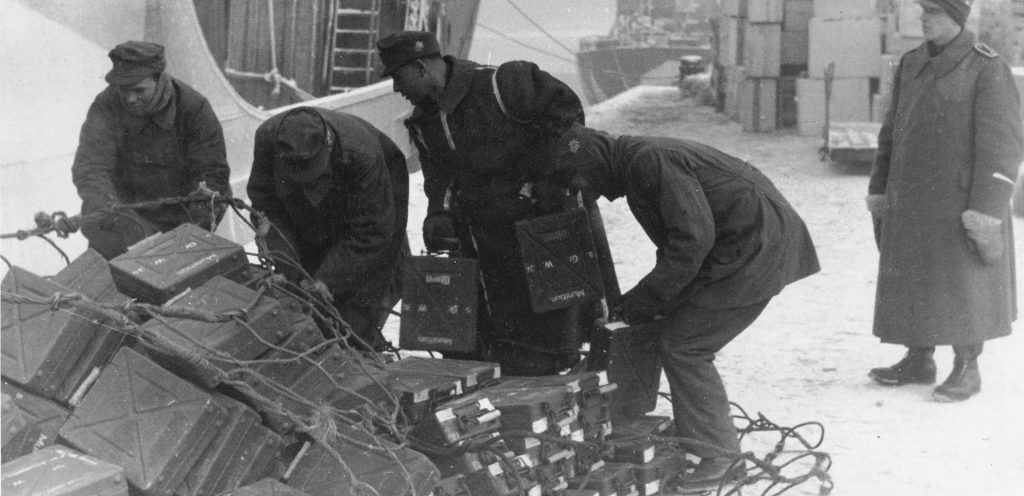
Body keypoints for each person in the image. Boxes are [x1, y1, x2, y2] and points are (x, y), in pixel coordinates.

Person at [546, 124, 820, 489]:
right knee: (672, 327)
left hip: (754, 249)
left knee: (685, 346)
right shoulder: (638, 161)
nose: (584, 190)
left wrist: (645, 300)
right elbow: (683, 241)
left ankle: (719, 457)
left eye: (580, 180)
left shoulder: (648, 161)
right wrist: (646, 302)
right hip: (746, 244)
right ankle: (699, 432)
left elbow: (691, 241)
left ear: (593, 162)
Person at [376, 30, 615, 375]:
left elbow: (571, 121)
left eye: (399, 77)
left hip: (544, 236)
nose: (398, 89)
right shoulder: (426, 121)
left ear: (420, 68)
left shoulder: (504, 84)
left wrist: (549, 179)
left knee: (562, 334)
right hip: (487, 247)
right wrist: (438, 213)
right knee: (498, 339)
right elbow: (439, 176)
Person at [866, 0, 1022, 402]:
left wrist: (985, 211)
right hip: (911, 199)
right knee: (916, 279)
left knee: (963, 285)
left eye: (933, 11)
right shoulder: (911, 63)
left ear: (956, 17)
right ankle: (919, 357)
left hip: (959, 200)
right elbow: (891, 131)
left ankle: (967, 368)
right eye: (923, 10)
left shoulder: (987, 67)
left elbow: (1002, 147)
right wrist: (880, 188)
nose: (923, 17)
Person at [247, 107, 410, 350]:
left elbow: (371, 232)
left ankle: (361, 352)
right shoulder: (268, 138)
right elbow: (267, 207)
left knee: (361, 302)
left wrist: (324, 282)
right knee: (299, 287)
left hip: (374, 205)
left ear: (329, 146)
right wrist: (287, 266)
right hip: (307, 210)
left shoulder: (362, 154)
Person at [72, 41, 231, 259]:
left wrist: (187, 238)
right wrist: (127, 224)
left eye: (139, 90)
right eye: (123, 90)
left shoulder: (194, 109)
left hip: (178, 229)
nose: (130, 99)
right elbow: (90, 168)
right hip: (119, 227)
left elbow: (212, 178)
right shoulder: (106, 105)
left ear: (160, 80)